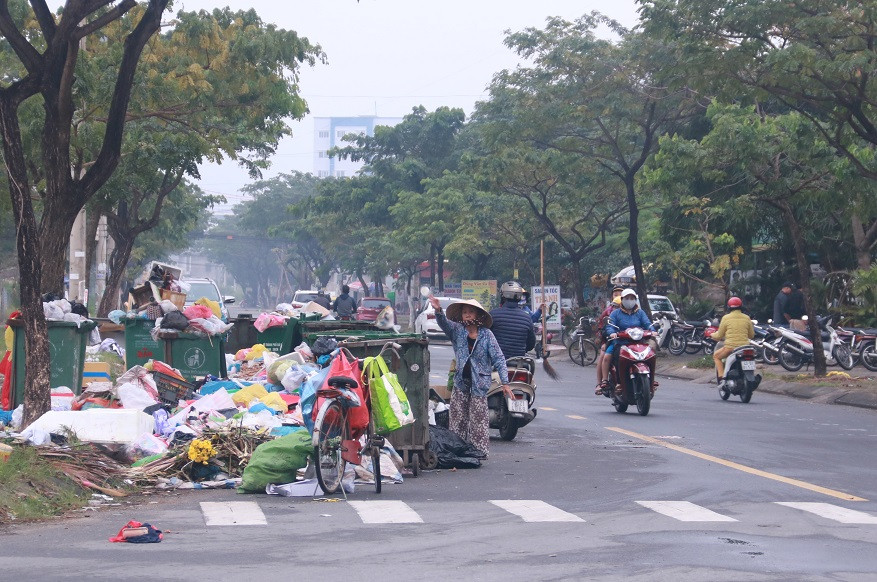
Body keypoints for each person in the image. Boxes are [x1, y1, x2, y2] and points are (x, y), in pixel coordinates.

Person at [432, 296, 509, 459]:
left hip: (479, 384)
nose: (467, 315)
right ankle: (456, 448)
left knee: (478, 421)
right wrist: (439, 311)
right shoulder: (457, 331)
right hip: (461, 382)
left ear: (478, 315)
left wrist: (505, 383)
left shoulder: (486, 335)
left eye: (471, 312)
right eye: (465, 312)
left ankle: (479, 451)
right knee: (457, 419)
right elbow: (444, 324)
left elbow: (499, 358)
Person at [598, 288, 655, 394]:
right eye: (627, 298)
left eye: (632, 298)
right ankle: (613, 381)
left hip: (638, 342)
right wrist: (612, 333)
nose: (630, 300)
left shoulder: (640, 313)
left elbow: (647, 323)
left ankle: (651, 379)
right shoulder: (615, 313)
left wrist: (652, 331)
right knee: (608, 357)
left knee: (652, 352)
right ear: (622, 299)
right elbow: (610, 326)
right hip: (620, 342)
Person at [711, 296, 755, 385]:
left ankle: (721, 377)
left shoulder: (726, 318)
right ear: (741, 306)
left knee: (716, 356)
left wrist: (711, 334)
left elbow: (719, 335)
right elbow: (751, 335)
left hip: (730, 348)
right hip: (745, 348)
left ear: (729, 307)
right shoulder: (747, 318)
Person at [489, 281, 536, 359]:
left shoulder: (492, 315)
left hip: (496, 362)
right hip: (519, 363)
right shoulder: (527, 318)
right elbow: (531, 345)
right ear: (519, 297)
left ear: (502, 296)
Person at [594, 286, 624, 394]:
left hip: (629, 340)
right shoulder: (609, 312)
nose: (618, 296)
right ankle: (601, 382)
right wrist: (603, 340)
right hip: (611, 340)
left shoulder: (635, 311)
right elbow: (602, 329)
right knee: (604, 356)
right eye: (616, 294)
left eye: (621, 294)